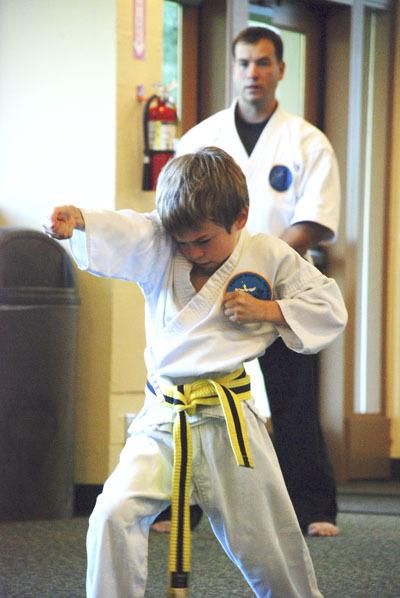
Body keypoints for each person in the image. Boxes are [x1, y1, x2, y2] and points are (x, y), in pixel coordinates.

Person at [47, 147, 347, 598]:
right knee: (112, 512)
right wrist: (81, 219)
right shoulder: (163, 245)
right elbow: (131, 227)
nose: (191, 251)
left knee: (270, 545)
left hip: (231, 427)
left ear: (241, 217)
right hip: (163, 421)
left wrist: (269, 309)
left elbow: (328, 306)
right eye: (182, 241)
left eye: (203, 241)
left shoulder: (267, 253)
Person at [177, 26, 342, 537]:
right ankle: (185, 507)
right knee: (198, 394)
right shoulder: (201, 138)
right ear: (235, 69)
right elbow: (177, 212)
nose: (254, 73)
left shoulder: (306, 141)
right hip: (210, 288)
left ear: (280, 71)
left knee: (294, 402)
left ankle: (313, 508)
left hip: (281, 287)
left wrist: (259, 264)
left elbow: (313, 219)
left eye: (264, 63)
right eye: (245, 63)